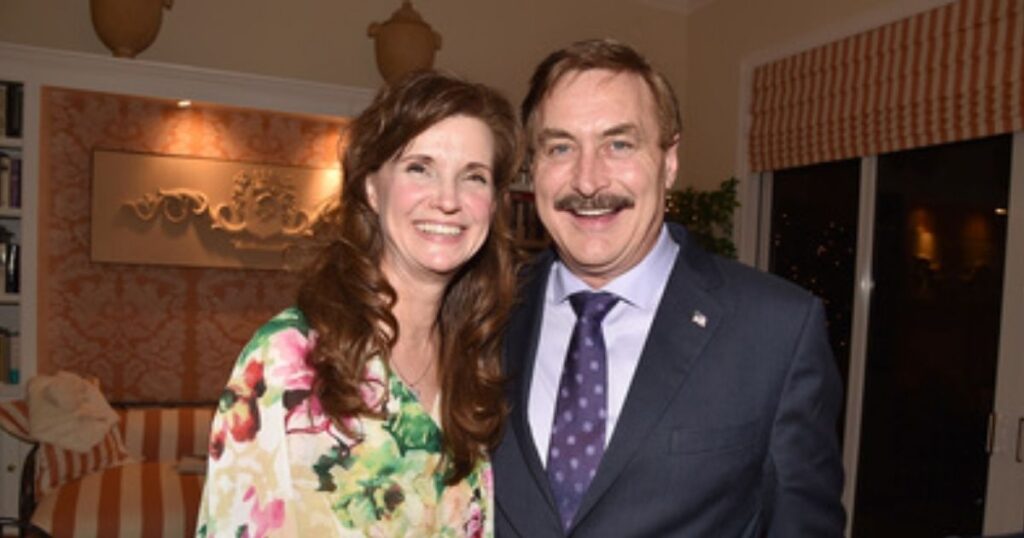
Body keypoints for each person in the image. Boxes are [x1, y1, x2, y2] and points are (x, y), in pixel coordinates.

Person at [491, 39, 845, 537]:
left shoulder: (776, 330)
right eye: (561, 147)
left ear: (669, 160)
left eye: (619, 144)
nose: (588, 180)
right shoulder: (484, 312)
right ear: (534, 166)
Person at [198, 70, 521, 537]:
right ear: (372, 188)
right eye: (419, 168)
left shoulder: (476, 358)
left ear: (493, 204)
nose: (448, 200)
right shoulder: (291, 355)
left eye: (474, 177)